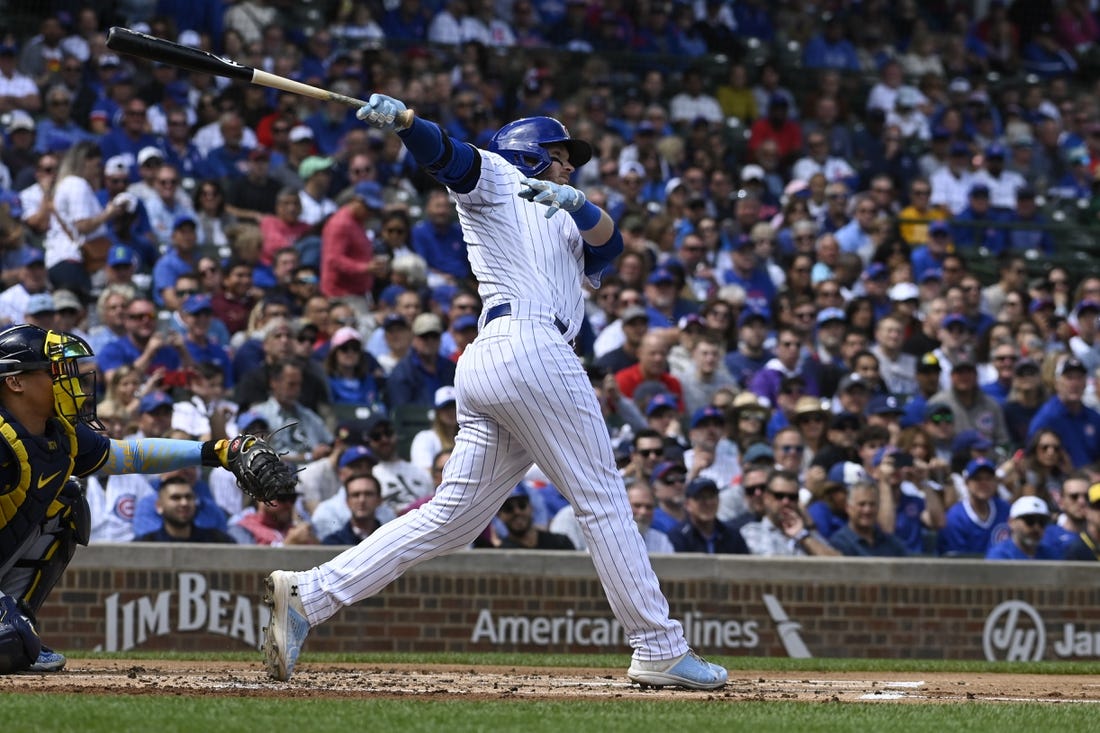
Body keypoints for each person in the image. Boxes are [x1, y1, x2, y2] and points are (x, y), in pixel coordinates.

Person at [261, 102, 727, 690]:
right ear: (531, 154)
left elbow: (613, 245)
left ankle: (310, 594)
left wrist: (580, 205)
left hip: (497, 360)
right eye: (560, 158)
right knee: (603, 498)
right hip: (529, 347)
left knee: (451, 520)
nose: (569, 170)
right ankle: (658, 645)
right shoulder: (498, 178)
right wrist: (408, 125)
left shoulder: (565, 221)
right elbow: (446, 155)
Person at [0, 324, 260, 674]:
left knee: (68, 501)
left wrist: (215, 451)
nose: (70, 382)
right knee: (8, 642)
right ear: (14, 381)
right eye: (55, 372)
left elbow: (132, 455)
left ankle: (18, 618)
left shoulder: (60, 434)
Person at [134, 472, 236, 543]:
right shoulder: (145, 545)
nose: (184, 503)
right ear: (159, 506)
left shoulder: (217, 541)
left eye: (189, 497)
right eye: (175, 498)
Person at [667, 477, 750, 554]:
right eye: (700, 498)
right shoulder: (679, 537)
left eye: (711, 496)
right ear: (687, 504)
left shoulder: (732, 536)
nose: (708, 503)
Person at [827, 481, 909, 557]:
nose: (867, 510)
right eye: (861, 504)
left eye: (872, 504)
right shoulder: (840, 543)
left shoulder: (891, 543)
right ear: (848, 508)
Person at [985, 496, 1060, 560]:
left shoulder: (1050, 554)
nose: (1036, 527)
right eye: (1029, 520)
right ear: (1011, 522)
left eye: (1042, 522)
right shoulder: (1000, 555)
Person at [321, 473, 386, 545]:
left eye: (368, 494)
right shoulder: (332, 543)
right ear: (347, 502)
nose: (362, 500)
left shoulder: (390, 539)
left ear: (379, 500)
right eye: (355, 495)